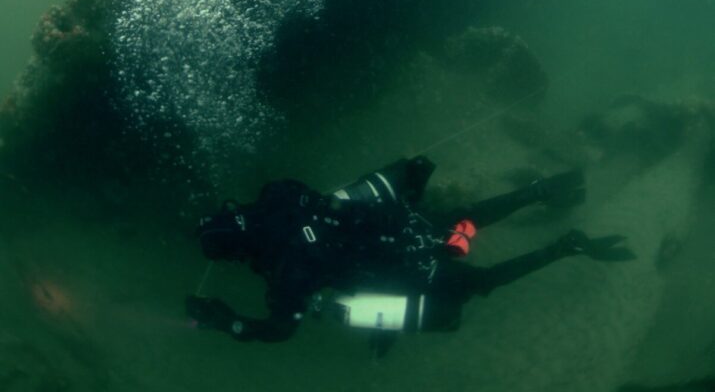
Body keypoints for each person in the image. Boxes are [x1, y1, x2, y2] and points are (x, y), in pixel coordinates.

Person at [186, 156, 634, 344]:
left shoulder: (287, 273)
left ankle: (566, 246)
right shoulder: (278, 194)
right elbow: (323, 197)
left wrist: (229, 322)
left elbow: (281, 329)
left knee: (477, 283)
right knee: (465, 219)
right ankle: (541, 189)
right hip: (404, 223)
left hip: (408, 270)